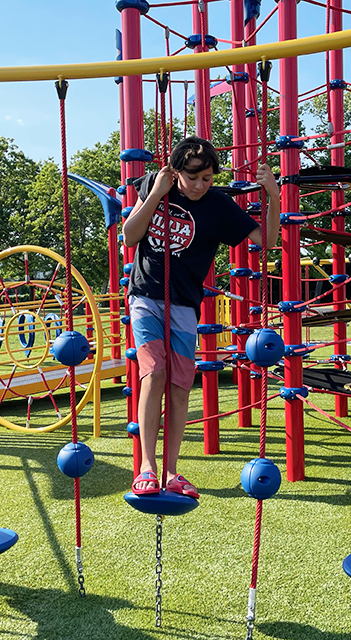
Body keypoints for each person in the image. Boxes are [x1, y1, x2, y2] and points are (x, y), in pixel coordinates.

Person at [122, 136, 281, 499]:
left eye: (207, 179)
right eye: (192, 178)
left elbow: (267, 241)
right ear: (176, 172)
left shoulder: (219, 207)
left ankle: (171, 471)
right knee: (155, 372)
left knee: (179, 386)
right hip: (146, 295)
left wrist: (273, 195)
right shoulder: (154, 184)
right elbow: (131, 237)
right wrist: (156, 193)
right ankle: (147, 466)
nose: (198, 186)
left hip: (184, 304)